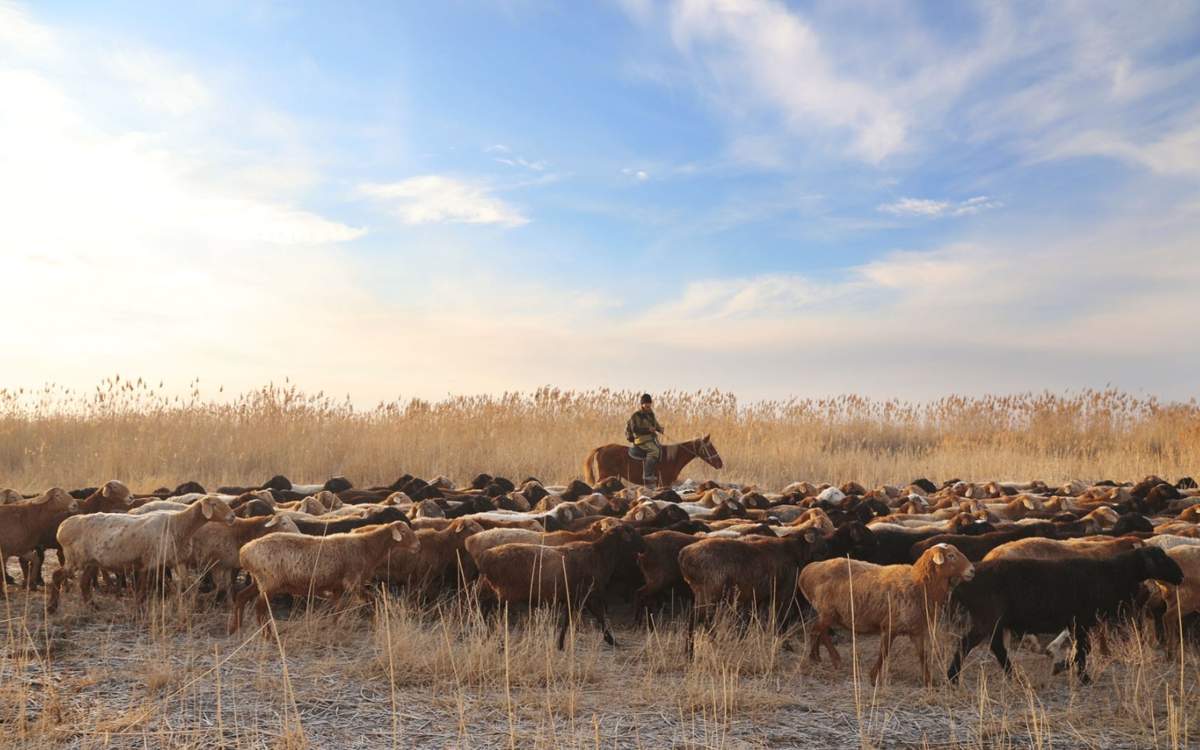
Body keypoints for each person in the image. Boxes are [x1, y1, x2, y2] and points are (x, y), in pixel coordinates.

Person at [625, 393, 665, 487]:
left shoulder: (651, 414)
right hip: (641, 439)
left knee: (661, 450)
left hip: (651, 438)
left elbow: (655, 424)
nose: (648, 405)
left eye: (649, 403)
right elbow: (634, 429)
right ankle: (647, 474)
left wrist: (660, 429)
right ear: (642, 404)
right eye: (646, 403)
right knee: (654, 451)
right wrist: (647, 430)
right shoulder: (636, 415)